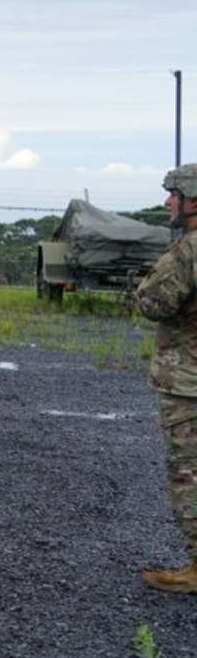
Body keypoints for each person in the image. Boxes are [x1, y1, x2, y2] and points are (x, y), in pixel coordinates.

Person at [136, 163, 197, 593]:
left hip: (188, 383)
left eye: (174, 194)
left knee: (189, 474)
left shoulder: (187, 252)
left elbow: (154, 303)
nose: (168, 202)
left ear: (193, 201)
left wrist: (144, 287)